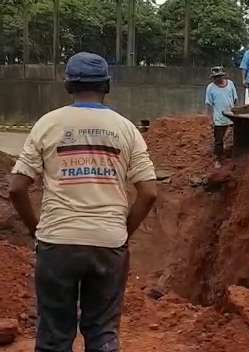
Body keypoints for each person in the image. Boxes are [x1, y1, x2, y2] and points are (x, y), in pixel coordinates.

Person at [8, 52, 157, 352]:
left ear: (68, 85)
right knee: (102, 332)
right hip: (108, 243)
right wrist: (122, 233)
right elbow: (150, 192)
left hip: (57, 242)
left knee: (54, 335)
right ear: (107, 85)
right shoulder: (126, 128)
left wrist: (36, 228)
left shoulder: (47, 124)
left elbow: (16, 188)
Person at [205, 66, 238, 168]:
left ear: (222, 76)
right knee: (218, 140)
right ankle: (218, 159)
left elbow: (235, 99)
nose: (217, 79)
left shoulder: (230, 84)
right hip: (219, 118)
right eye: (215, 77)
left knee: (234, 138)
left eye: (219, 76)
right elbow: (208, 104)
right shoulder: (210, 87)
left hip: (232, 117)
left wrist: (235, 112)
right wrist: (210, 119)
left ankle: (234, 157)